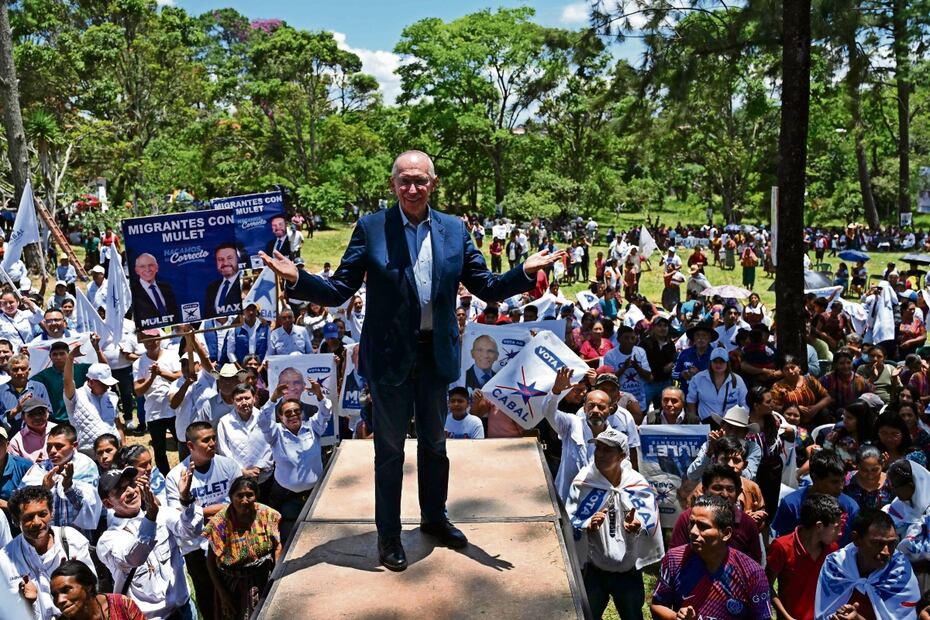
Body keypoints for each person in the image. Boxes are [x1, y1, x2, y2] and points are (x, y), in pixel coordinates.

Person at [259, 150, 563, 571]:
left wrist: (524, 272)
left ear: (433, 183)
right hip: (388, 358)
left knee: (436, 446)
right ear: (393, 184)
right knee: (389, 450)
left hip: (434, 354)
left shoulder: (455, 230)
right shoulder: (371, 228)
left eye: (420, 180)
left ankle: (434, 519)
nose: (413, 187)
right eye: (405, 180)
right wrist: (298, 279)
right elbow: (340, 288)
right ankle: (388, 535)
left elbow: (487, 285)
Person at [565, 428, 663, 620]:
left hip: (628, 572)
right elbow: (571, 519)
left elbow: (648, 520)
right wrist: (587, 524)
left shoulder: (636, 484)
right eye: (598, 448)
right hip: (594, 571)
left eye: (607, 450)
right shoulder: (583, 482)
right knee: (587, 616)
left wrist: (638, 526)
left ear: (622, 455)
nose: (600, 454)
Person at [96, 463, 201, 619]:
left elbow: (192, 531)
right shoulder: (108, 540)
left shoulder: (162, 514)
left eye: (131, 484)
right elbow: (134, 557)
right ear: (108, 503)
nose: (130, 491)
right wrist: (150, 517)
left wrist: (186, 500)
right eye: (120, 490)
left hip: (184, 610)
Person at [651, 495, 772, 620]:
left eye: (703, 526)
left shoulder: (752, 573)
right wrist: (675, 617)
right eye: (691, 523)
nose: (693, 531)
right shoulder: (675, 559)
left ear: (726, 533)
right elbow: (657, 605)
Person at [165, 422, 242, 620]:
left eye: (213, 438)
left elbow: (240, 505)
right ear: (190, 446)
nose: (212, 443)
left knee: (236, 595)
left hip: (230, 539)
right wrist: (221, 508)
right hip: (196, 547)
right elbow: (179, 518)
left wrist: (196, 510)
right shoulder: (175, 477)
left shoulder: (229, 466)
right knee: (207, 599)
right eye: (205, 440)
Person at [0, 486, 96, 620]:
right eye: (28, 517)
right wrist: (26, 604)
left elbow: (93, 589)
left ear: (51, 512)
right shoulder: (5, 559)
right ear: (16, 521)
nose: (37, 522)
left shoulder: (72, 540)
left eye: (42, 514)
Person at [815, 508, 921, 619]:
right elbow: (824, 614)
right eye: (878, 543)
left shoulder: (901, 572)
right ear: (856, 539)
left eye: (891, 544)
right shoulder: (835, 566)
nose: (886, 552)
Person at [259, 380, 332, 538]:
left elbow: (326, 412)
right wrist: (273, 399)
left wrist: (319, 394)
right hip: (286, 498)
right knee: (289, 537)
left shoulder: (313, 427)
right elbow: (262, 420)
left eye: (296, 411)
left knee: (316, 536)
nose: (293, 415)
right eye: (288, 413)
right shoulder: (275, 433)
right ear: (280, 416)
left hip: (314, 495)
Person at [203, 476, 282, 620]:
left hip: (263, 579)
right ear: (231, 497)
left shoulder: (267, 515)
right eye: (239, 495)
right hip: (232, 587)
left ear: (256, 496)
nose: (244, 500)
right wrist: (223, 595)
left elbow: (277, 546)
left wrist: (276, 580)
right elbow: (211, 562)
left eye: (249, 495)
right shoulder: (219, 524)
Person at [766, 493, 842, 620]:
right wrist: (787, 617)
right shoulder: (782, 546)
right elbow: (766, 586)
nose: (840, 532)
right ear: (819, 526)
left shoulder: (832, 549)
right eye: (836, 527)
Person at [672, 464, 763, 563]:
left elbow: (754, 562)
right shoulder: (687, 518)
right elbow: (675, 557)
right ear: (704, 490)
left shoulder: (748, 524)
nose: (724, 494)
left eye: (730, 489)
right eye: (717, 488)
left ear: (738, 493)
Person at [772, 449, 860, 545]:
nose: (841, 487)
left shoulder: (851, 507)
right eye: (834, 482)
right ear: (815, 478)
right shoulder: (791, 505)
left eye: (843, 481)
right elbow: (784, 544)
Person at [132, 332, 181, 474]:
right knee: (159, 451)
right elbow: (138, 391)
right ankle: (165, 478)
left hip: (175, 409)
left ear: (160, 339)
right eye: (147, 340)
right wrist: (152, 377)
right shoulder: (138, 363)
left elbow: (180, 377)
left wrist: (162, 373)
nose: (151, 343)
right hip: (154, 413)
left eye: (153, 339)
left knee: (182, 443)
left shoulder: (171, 355)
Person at [216, 384, 274, 496]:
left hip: (264, 478)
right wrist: (242, 471)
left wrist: (259, 467)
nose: (244, 402)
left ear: (254, 398)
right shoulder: (224, 422)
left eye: (247, 398)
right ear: (233, 401)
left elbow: (271, 445)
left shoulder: (265, 418)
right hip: (238, 480)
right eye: (239, 399)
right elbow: (224, 451)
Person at [65, 342, 124, 450]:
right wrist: (70, 358)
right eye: (103, 384)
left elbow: (117, 425)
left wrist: (123, 446)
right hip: (87, 452)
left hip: (113, 450)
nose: (107, 387)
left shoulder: (112, 396)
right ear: (91, 382)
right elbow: (68, 382)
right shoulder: (76, 396)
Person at [50, 559, 145, 620]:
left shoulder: (122, 604)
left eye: (66, 590)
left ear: (88, 585)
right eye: (54, 595)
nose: (60, 600)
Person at [32, 341, 93, 424]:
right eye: (55, 354)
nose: (58, 357)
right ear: (50, 357)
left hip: (82, 418)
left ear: (69, 354)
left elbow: (104, 369)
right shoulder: (44, 375)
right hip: (57, 421)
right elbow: (26, 382)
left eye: (62, 354)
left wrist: (97, 350)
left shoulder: (82, 369)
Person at [685, 349, 748, 424]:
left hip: (729, 425)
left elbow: (744, 403)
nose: (718, 365)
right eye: (715, 361)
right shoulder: (698, 378)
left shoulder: (738, 380)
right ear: (710, 362)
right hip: (705, 424)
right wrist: (693, 416)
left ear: (727, 363)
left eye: (722, 361)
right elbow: (691, 399)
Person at [770, 354, 834, 427]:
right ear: (782, 371)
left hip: (813, 420)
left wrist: (815, 408)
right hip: (790, 422)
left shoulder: (810, 380)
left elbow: (827, 398)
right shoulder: (777, 387)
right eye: (786, 369)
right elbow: (773, 407)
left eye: (792, 367)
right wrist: (795, 408)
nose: (790, 371)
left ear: (799, 367)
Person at [0, 353, 52, 434]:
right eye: (15, 369)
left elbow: (49, 412)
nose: (20, 372)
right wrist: (16, 410)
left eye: (23, 368)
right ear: (9, 372)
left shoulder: (39, 388)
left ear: (29, 370)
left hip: (37, 436)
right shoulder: (1, 391)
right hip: (10, 438)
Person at [129, 253, 179, 323]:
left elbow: (175, 313)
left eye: (151, 265)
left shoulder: (167, 288)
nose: (147, 269)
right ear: (136, 270)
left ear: (157, 267)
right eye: (142, 266)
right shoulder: (132, 291)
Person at [843, 445, 895, 511]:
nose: (870, 475)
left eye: (875, 470)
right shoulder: (846, 481)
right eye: (864, 470)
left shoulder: (892, 482)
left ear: (882, 465)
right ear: (857, 466)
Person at [8, 398, 56, 462]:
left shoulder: (59, 430)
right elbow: (16, 468)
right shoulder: (16, 441)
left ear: (48, 413)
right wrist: (33, 467)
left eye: (41, 412)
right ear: (23, 417)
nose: (37, 417)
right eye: (31, 414)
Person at [205, 243, 242, 319]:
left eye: (229, 258)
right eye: (220, 259)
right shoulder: (212, 288)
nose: (225, 263)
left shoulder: (245, 282)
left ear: (237, 259)